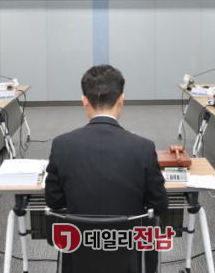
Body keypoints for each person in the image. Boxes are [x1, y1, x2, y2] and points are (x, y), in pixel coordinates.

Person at [45, 65, 168, 273]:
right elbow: (159, 204)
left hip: (78, 258)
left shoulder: (61, 145)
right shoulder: (143, 148)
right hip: (131, 260)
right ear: (121, 100)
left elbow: (54, 201)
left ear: (84, 101)